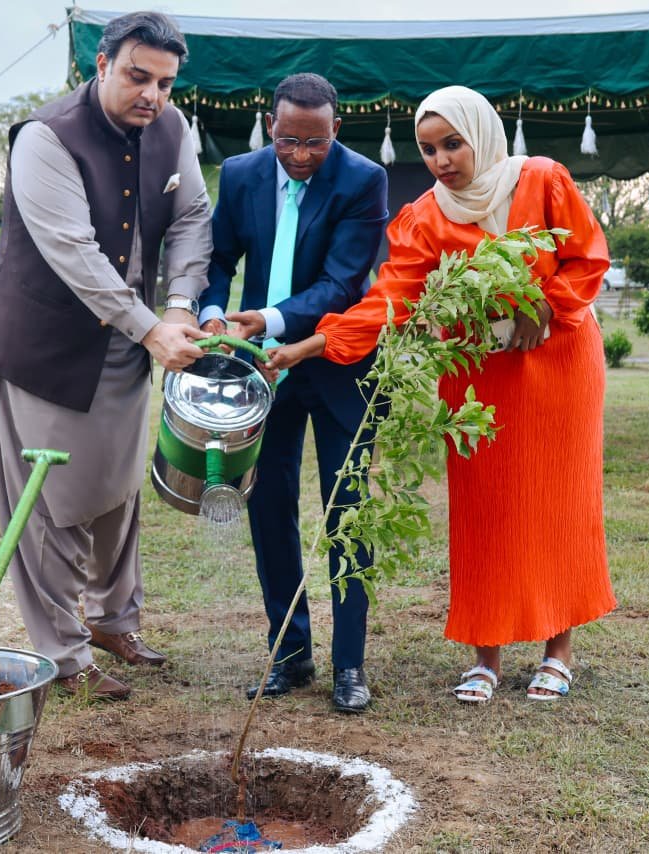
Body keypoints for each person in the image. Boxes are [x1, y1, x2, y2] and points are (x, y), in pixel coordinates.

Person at [269, 85, 616, 704]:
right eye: (428, 150)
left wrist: (543, 303)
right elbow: (390, 299)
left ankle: (558, 650)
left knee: (558, 499)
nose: (441, 160)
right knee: (484, 508)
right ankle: (486, 655)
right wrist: (309, 346)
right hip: (476, 371)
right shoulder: (426, 216)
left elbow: (586, 259)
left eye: (452, 144)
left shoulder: (542, 180)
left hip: (560, 360)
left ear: (480, 134)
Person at [0, 11, 210, 700]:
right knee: (52, 505)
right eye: (137, 76)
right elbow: (73, 251)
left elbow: (193, 217)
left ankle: (112, 622)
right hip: (44, 350)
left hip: (129, 344)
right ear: (100, 64)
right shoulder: (45, 137)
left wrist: (179, 305)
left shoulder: (174, 129)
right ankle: (63, 656)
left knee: (118, 492)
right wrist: (151, 329)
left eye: (165, 83)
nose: (152, 95)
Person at [197, 73, 388, 713]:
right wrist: (215, 312)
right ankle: (289, 653)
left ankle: (349, 665)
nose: (301, 155)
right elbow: (218, 258)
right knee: (269, 505)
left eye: (315, 142)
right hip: (260, 367)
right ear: (269, 125)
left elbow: (342, 282)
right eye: (288, 140)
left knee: (347, 510)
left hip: (337, 364)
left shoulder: (363, 180)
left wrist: (270, 319)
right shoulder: (240, 173)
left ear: (337, 130)